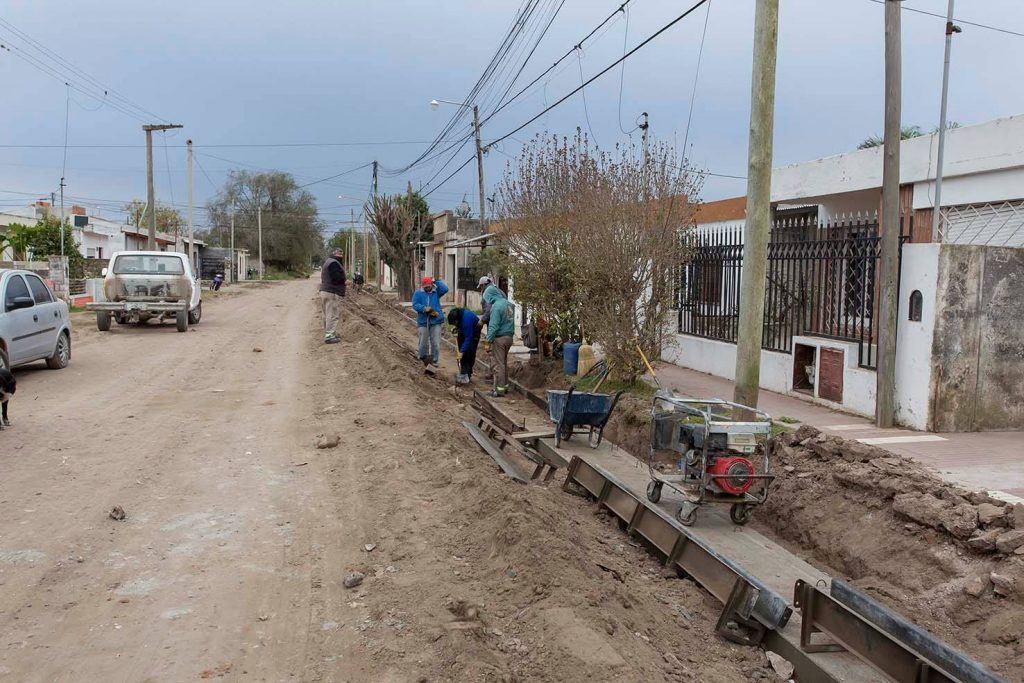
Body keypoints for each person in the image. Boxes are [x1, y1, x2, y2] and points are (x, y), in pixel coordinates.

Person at [482, 285, 515, 397]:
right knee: (503, 363)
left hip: (500, 338)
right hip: (509, 337)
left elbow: (493, 326)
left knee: (498, 365)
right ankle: (505, 386)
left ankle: (498, 390)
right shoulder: (509, 304)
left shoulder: (496, 307)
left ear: (490, 296)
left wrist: (488, 340)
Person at [412, 276, 448, 366]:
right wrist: (424, 308)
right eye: (425, 287)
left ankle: (434, 360)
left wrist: (436, 281)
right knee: (423, 341)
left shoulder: (436, 292)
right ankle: (422, 358)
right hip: (423, 321)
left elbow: (445, 289)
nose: (427, 288)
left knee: (435, 342)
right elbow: (415, 305)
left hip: (435, 320)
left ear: (431, 285)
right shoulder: (418, 293)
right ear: (422, 286)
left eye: (429, 286)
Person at [319, 248, 346, 344]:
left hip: (324, 291)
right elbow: (336, 278)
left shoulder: (327, 262)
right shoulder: (334, 263)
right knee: (332, 314)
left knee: (326, 313)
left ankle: (329, 333)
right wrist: (344, 280)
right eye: (340, 254)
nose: (341, 256)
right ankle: (330, 336)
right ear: (336, 254)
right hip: (331, 292)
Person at [447, 306, 481, 383]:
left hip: (474, 330)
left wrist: (461, 352)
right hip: (465, 327)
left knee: (470, 351)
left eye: (454, 323)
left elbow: (468, 338)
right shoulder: (458, 315)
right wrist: (457, 328)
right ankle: (463, 372)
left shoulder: (466, 321)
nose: (454, 325)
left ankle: (468, 374)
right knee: (461, 349)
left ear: (456, 320)